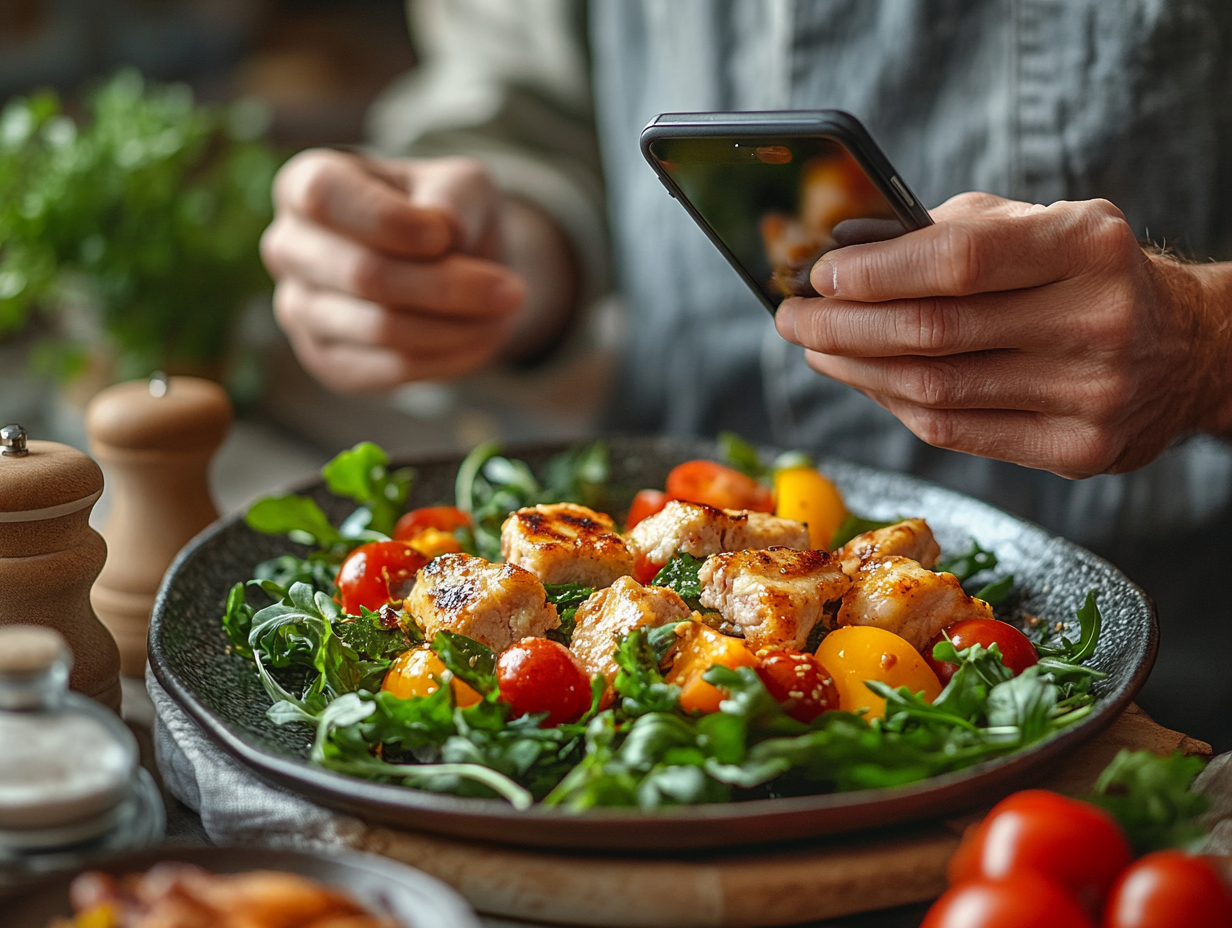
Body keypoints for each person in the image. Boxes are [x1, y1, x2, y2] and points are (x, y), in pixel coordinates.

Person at [260, 0, 1232, 747]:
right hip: (642, 639)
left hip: (1164, 664)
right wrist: (470, 259)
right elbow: (529, 108)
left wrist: (1205, 343)